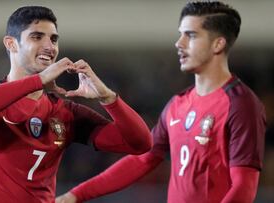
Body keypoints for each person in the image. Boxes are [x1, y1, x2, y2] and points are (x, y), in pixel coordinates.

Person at [56, 1, 266, 203]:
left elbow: (243, 187)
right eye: (180, 34)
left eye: (190, 35)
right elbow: (142, 160)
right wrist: (75, 195)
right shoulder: (178, 104)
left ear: (218, 44)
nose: (179, 43)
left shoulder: (241, 104)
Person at [0, 6, 153, 203]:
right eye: (37, 37)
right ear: (11, 44)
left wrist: (108, 97)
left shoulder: (65, 112)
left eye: (54, 39)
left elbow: (141, 143)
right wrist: (39, 80)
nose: (50, 47)